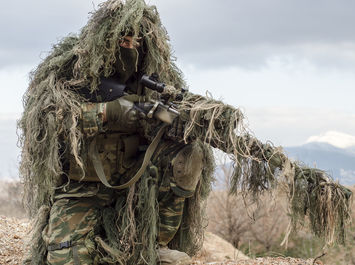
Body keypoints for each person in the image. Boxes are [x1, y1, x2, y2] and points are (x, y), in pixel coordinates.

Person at [19, 1, 214, 264]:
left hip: (133, 184)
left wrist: (171, 122)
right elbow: (47, 124)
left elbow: (162, 121)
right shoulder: (68, 72)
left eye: (137, 41)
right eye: (123, 39)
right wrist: (106, 112)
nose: (130, 46)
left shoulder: (152, 76)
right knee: (67, 257)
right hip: (80, 188)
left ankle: (156, 243)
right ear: (105, 38)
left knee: (191, 153)